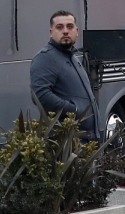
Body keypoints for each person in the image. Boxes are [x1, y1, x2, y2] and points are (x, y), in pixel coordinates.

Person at [30, 10, 101, 140]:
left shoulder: (72, 58)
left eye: (70, 26)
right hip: (69, 143)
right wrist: (74, 110)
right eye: (59, 27)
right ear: (51, 32)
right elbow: (40, 95)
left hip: (86, 140)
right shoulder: (45, 58)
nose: (65, 31)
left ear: (77, 31)